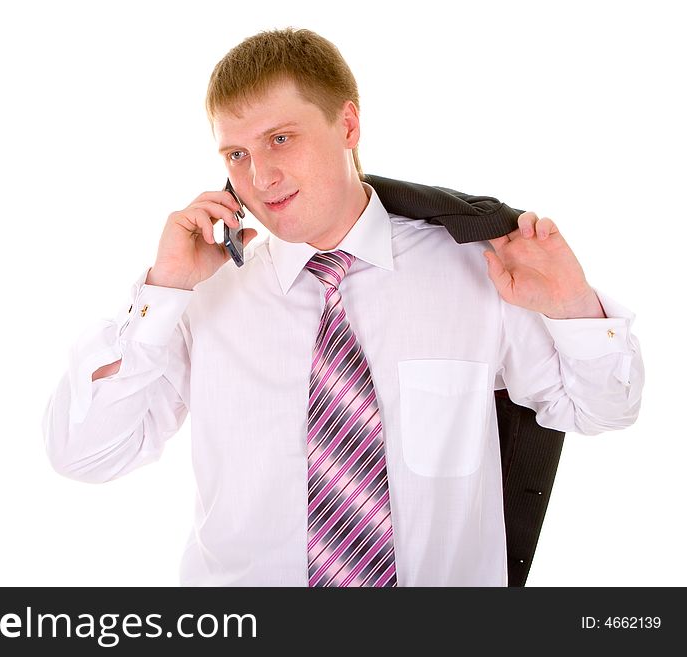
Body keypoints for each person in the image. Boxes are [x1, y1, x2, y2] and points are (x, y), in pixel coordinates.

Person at [42, 28, 644, 586]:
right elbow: (87, 455)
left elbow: (601, 409)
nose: (262, 175)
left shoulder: (478, 267)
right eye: (236, 155)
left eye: (281, 138)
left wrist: (570, 304)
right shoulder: (199, 295)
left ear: (348, 125)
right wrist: (163, 290)